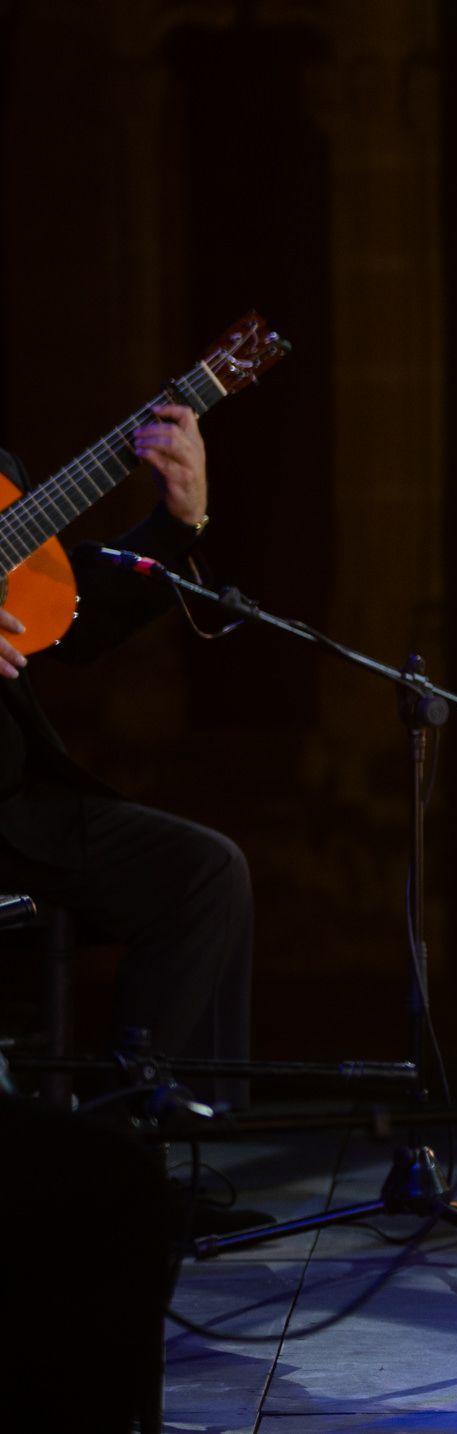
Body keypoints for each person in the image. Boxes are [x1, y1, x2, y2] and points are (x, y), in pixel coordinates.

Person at [0, 404, 254, 1109]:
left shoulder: (1, 477)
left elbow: (68, 614)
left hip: (15, 815)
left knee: (206, 872)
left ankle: (152, 1148)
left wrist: (176, 527)